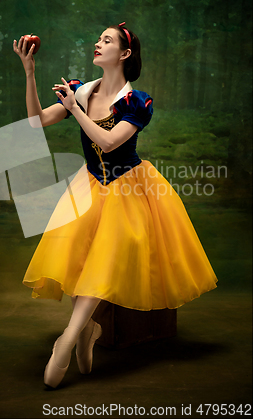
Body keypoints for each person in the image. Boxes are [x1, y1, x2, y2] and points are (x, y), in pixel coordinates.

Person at [13, 23, 217, 389]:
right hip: (90, 185)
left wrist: (74, 110)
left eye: (107, 40)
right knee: (78, 251)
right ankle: (88, 328)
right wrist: (29, 73)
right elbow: (35, 122)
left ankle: (67, 339)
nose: (97, 43)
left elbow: (108, 143)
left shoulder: (138, 102)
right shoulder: (80, 90)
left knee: (105, 255)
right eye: (98, 39)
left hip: (129, 187)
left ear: (124, 54)